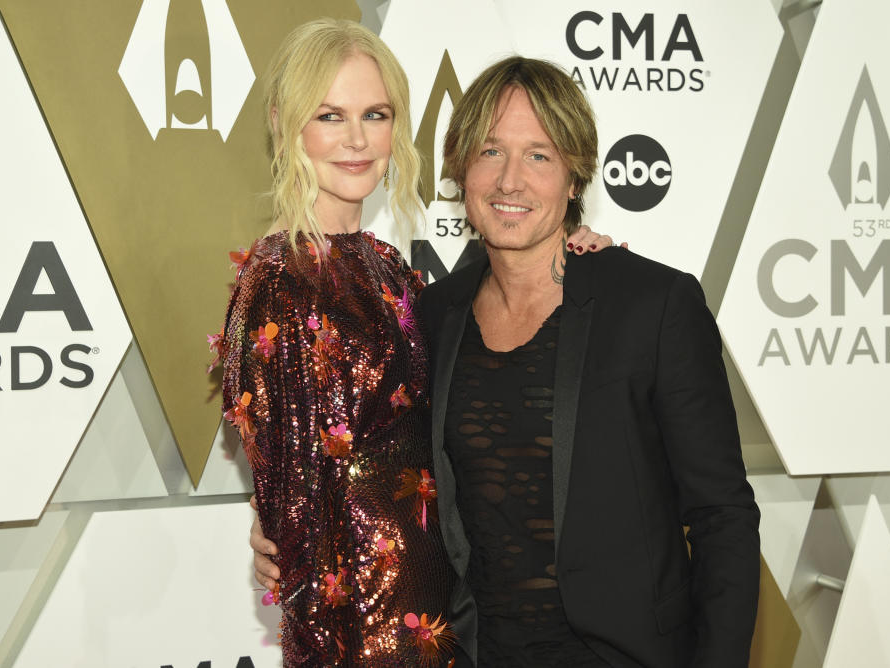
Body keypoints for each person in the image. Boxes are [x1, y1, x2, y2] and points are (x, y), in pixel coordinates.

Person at [254, 55, 760, 667]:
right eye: (491, 152)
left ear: (575, 179)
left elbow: (722, 517)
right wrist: (282, 524)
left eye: (539, 155)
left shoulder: (653, 306)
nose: (510, 181)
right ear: (461, 172)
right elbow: (368, 455)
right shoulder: (431, 315)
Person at [222, 22, 611, 667]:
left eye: (375, 115)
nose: (356, 139)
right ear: (285, 123)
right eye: (330, 115)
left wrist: (571, 251)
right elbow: (298, 508)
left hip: (442, 615)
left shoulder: (389, 269)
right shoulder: (280, 281)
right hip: (367, 640)